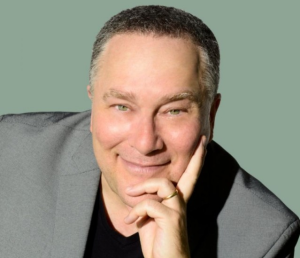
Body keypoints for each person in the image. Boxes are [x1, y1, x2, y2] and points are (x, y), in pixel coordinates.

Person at [0, 5, 299, 258]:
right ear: (93, 105)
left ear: (211, 115)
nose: (145, 143)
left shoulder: (265, 237)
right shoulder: (9, 151)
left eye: (174, 111)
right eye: (122, 106)